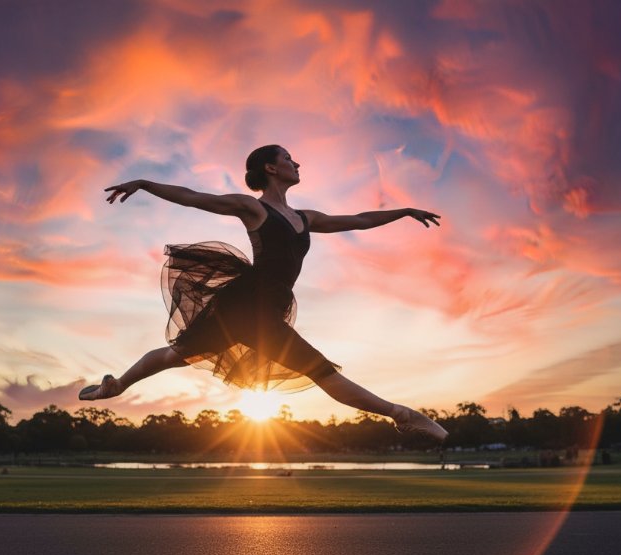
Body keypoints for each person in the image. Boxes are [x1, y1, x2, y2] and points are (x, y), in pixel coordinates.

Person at [79, 145, 448, 441]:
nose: (296, 162)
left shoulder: (306, 218)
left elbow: (358, 220)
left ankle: (115, 387)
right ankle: (403, 415)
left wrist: (403, 211)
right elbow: (193, 197)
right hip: (246, 306)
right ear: (271, 168)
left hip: (265, 309)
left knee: (177, 354)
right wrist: (144, 183)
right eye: (288, 158)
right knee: (319, 370)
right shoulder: (252, 208)